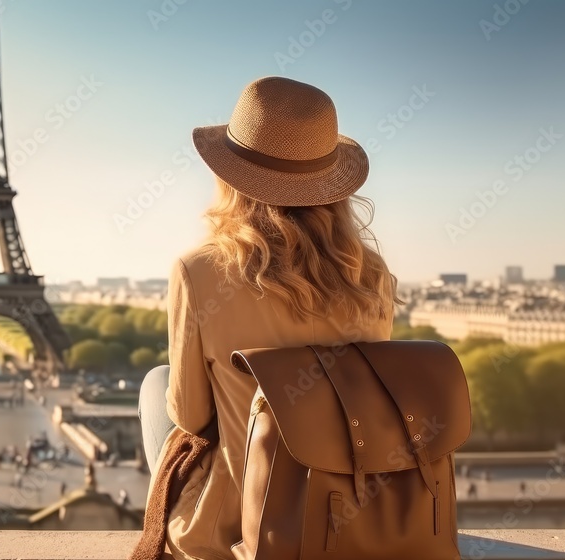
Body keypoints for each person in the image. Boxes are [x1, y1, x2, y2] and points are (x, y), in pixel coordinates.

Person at [137, 77, 399, 559]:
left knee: (158, 383)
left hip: (239, 528)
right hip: (349, 521)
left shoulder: (199, 271)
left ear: (230, 177)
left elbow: (192, 416)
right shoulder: (373, 276)